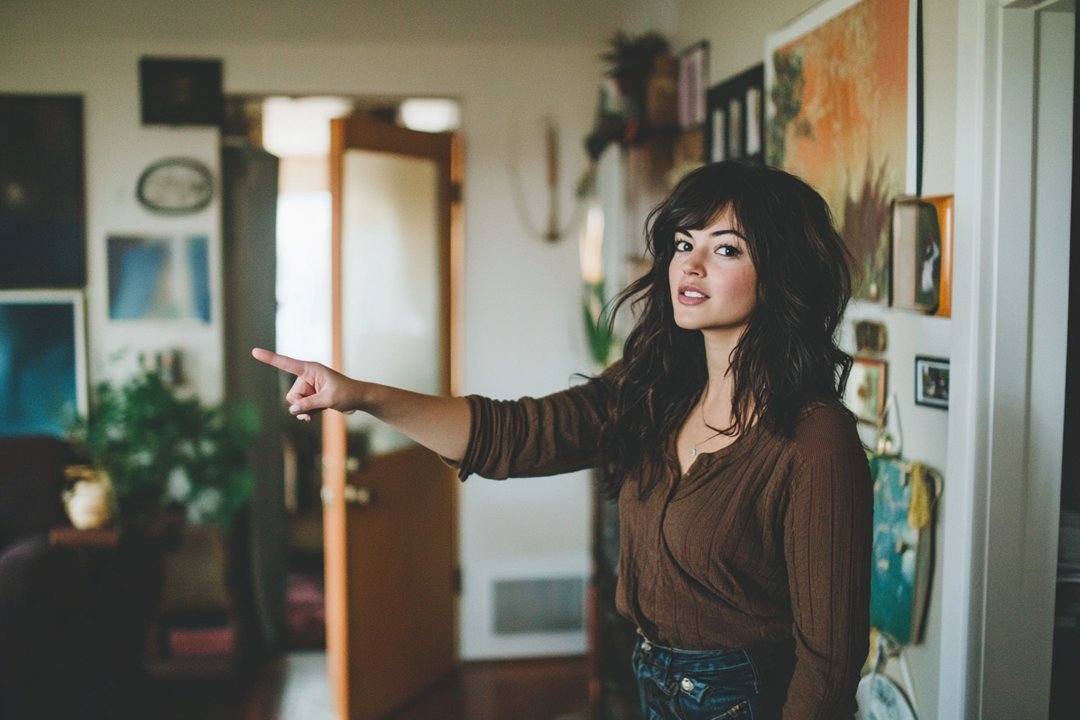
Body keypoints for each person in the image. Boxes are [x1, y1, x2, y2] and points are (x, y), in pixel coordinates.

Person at [253, 161, 872, 720]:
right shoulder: (652, 391)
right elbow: (512, 436)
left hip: (750, 698)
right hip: (650, 676)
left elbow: (829, 663)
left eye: (726, 248)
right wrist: (359, 395)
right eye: (684, 243)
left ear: (781, 271)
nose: (690, 264)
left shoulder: (816, 439)